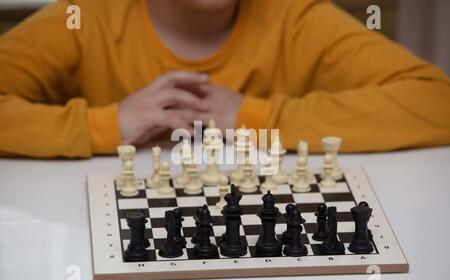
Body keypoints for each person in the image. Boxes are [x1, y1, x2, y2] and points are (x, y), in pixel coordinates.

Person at [0, 0, 449, 158]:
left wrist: (259, 118)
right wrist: (108, 125)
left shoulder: (294, 17)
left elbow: (436, 102)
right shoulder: (86, 14)